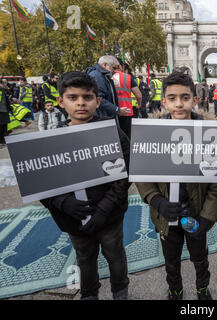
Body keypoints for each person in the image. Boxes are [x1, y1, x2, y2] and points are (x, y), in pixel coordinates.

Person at [135, 72, 217, 300]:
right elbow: (142, 173)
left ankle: (202, 290)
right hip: (166, 214)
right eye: (172, 98)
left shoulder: (208, 133)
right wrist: (157, 202)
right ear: (164, 101)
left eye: (185, 97)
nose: (179, 103)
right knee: (171, 260)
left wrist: (207, 217)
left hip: (196, 213)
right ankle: (175, 291)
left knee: (200, 258)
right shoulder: (151, 133)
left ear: (195, 100)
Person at [40, 71, 131, 300]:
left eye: (87, 97)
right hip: (73, 217)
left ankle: (120, 292)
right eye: (73, 97)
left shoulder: (112, 132)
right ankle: (89, 294)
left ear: (97, 101)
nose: (81, 102)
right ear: (61, 101)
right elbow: (41, 181)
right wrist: (64, 203)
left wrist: (105, 207)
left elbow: (126, 172)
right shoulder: (51, 139)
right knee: (84, 258)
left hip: (109, 216)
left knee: (115, 255)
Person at [0, 79, 11, 146]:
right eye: (4, 83)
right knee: (1, 127)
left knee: (4, 127)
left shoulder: (3, 90)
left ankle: (3, 141)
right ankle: (1, 141)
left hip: (4, 110)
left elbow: (6, 99)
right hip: (1, 111)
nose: (5, 84)